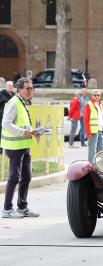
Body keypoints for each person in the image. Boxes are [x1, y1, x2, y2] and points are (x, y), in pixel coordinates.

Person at [1, 78, 41, 218]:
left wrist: (33, 131)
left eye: (32, 88)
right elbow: (5, 124)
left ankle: (22, 207)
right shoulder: (13, 103)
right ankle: (7, 209)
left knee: (27, 177)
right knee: (14, 177)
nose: (31, 91)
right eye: (28, 88)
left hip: (24, 146)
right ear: (19, 89)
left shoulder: (23, 102)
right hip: (14, 147)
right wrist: (24, 132)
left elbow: (23, 123)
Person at [84, 89, 103, 162]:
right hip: (93, 132)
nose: (97, 96)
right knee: (92, 150)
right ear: (92, 96)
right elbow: (86, 119)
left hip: (100, 130)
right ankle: (91, 166)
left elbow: (102, 118)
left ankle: (99, 166)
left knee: (101, 149)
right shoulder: (88, 105)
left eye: (98, 95)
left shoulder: (100, 105)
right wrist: (88, 133)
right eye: (95, 95)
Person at [0, 81, 15, 148]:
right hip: (2, 117)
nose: (11, 87)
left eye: (12, 86)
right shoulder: (1, 94)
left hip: (11, 118)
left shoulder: (14, 95)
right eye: (9, 85)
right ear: (6, 86)